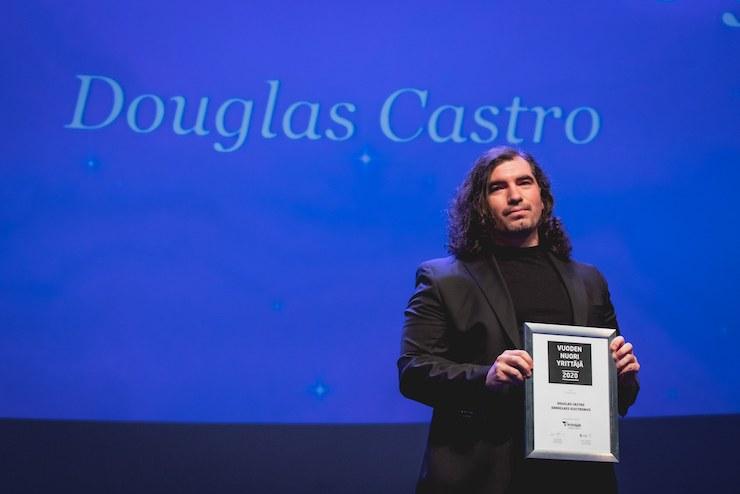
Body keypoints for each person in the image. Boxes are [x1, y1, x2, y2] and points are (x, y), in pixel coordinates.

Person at [398, 147, 640, 494]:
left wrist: (622, 376)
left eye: (524, 182)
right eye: (498, 187)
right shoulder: (443, 279)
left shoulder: (589, 281)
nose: (514, 196)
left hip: (578, 477)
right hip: (482, 476)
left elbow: (619, 398)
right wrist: (486, 378)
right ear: (480, 205)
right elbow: (413, 371)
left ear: (542, 196)